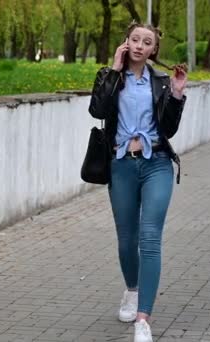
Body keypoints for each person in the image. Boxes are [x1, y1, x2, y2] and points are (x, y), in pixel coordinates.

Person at [88, 22, 188, 342]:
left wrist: (176, 93)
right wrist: (115, 70)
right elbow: (97, 110)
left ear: (154, 49)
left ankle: (143, 318)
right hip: (121, 166)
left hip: (156, 163)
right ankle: (132, 290)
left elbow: (168, 129)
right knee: (127, 240)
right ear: (126, 42)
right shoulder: (109, 76)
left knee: (150, 237)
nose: (140, 46)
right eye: (135, 39)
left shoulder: (160, 81)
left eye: (147, 42)